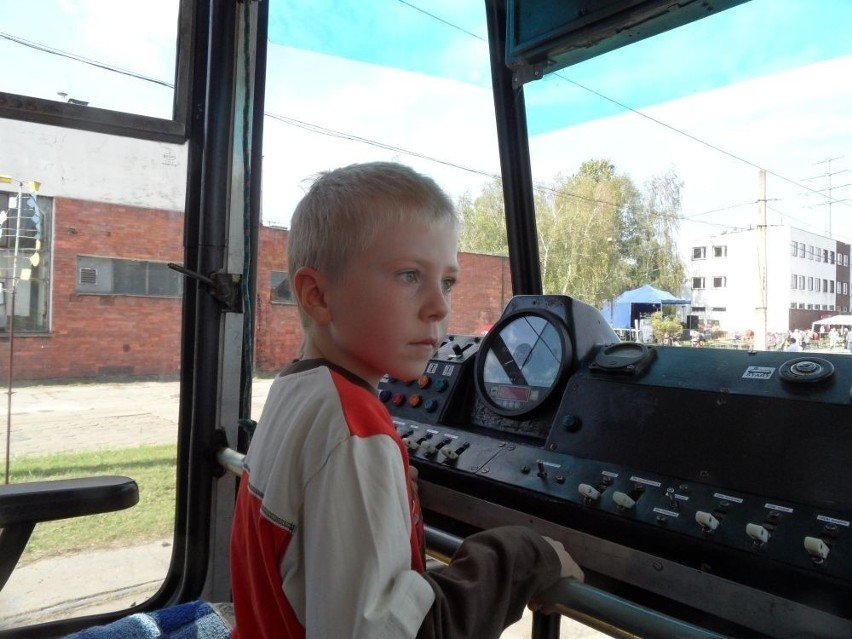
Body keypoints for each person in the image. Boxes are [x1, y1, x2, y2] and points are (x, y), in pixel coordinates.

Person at [229, 162, 583, 639]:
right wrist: (523, 556)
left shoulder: (295, 392)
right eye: (410, 275)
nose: (440, 306)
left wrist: (388, 499)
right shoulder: (355, 433)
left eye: (448, 281)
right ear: (318, 295)